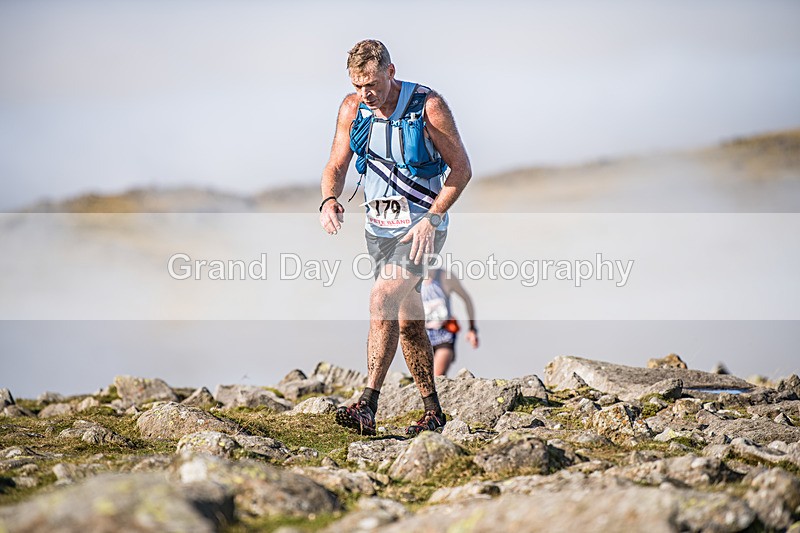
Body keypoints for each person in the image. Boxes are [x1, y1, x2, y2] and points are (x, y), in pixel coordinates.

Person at [319, 39, 472, 436]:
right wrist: (329, 199)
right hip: (378, 230)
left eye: (371, 83)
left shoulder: (428, 106)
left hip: (421, 230)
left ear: (390, 71)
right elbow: (336, 164)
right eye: (357, 85)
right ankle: (433, 412)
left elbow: (461, 169)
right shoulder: (353, 108)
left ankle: (367, 404)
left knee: (381, 298)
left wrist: (432, 218)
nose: (365, 93)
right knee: (408, 321)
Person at [421, 267, 479, 377]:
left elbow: (467, 299)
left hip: (444, 335)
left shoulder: (445, 277)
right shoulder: (411, 280)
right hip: (422, 336)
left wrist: (472, 329)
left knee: (437, 376)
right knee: (423, 377)